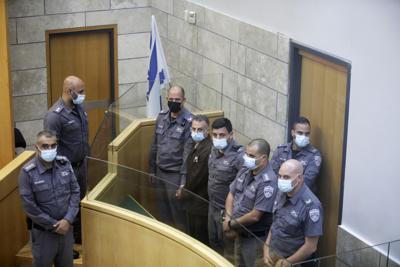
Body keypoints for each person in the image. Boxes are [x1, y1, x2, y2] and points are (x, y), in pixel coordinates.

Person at [19, 130, 80, 267]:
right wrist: (54, 225)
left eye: (53, 145)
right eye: (45, 146)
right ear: (37, 147)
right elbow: (29, 206)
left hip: (66, 229)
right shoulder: (28, 172)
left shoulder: (64, 163)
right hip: (44, 233)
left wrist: (67, 220)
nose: (50, 149)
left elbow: (75, 192)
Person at [44, 75, 88, 256]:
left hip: (81, 165)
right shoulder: (54, 116)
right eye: (81, 91)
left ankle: (78, 237)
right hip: (65, 170)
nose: (84, 95)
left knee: (78, 204)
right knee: (65, 208)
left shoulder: (78, 108)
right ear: (70, 91)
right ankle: (65, 248)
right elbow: (49, 147)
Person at [223, 139, 278, 267]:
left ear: (263, 158)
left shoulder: (268, 182)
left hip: (255, 240)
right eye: (247, 154)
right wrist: (228, 217)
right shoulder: (245, 170)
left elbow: (255, 216)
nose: (247, 158)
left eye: (251, 156)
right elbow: (231, 193)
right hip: (238, 234)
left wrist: (230, 224)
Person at [149, 85, 193, 230]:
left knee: (177, 215)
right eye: (171, 99)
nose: (173, 102)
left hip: (175, 175)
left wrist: (183, 182)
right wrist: (151, 169)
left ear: (184, 100)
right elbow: (154, 145)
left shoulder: (189, 122)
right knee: (163, 213)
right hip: (160, 172)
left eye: (177, 99)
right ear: (167, 99)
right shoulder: (162, 117)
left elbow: (187, 155)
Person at [264, 159, 323, 267]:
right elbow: (275, 224)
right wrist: (266, 248)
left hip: (294, 262)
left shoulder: (311, 206)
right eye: (280, 176)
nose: (281, 180)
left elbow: (311, 246)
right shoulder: (281, 193)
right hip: (274, 255)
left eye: (286, 177)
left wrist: (287, 262)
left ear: (299, 178)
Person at [208, 118, 244, 257]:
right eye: (215, 135)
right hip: (212, 206)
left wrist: (232, 217)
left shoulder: (239, 156)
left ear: (231, 134)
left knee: (227, 251)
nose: (217, 138)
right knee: (213, 243)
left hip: (227, 212)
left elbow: (242, 189)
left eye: (222, 135)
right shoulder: (214, 149)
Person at [176, 115, 212, 245]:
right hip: (193, 202)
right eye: (194, 129)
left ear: (207, 131)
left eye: (200, 129)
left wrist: (183, 191)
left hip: (200, 203)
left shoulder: (207, 148)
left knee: (199, 240)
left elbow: (197, 177)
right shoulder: (196, 144)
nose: (196, 132)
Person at [270, 117, 322, 193]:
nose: (304, 137)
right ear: (292, 133)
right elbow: (273, 174)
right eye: (300, 133)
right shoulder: (281, 150)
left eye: (307, 134)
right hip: (278, 194)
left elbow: (307, 181)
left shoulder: (314, 155)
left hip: (300, 197)